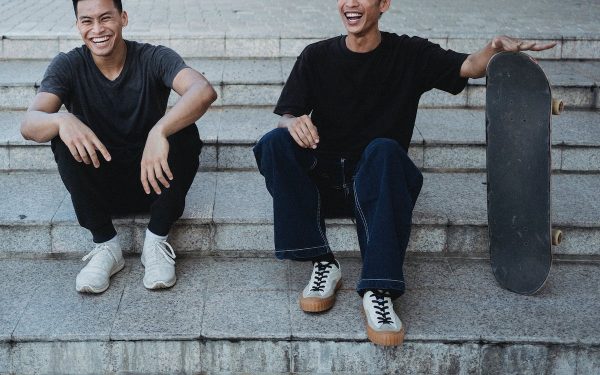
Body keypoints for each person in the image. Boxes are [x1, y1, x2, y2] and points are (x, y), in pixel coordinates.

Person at [253, 0, 555, 346]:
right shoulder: (316, 56)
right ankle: (322, 261)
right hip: (325, 183)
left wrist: (494, 49)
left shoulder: (409, 53)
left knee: (383, 149)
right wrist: (295, 123)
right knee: (275, 141)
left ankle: (378, 289)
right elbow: (286, 114)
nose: (350, 3)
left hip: (379, 186)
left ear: (383, 4)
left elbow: (468, 66)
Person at [21, 0, 217, 293]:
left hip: (154, 181)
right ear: (78, 26)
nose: (97, 29)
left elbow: (203, 90)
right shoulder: (69, 64)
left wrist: (159, 130)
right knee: (60, 134)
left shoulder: (153, 57)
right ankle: (106, 246)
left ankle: (156, 241)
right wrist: (62, 119)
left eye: (106, 18)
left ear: (123, 18)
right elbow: (29, 124)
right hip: (101, 187)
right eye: (87, 21)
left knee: (185, 130)